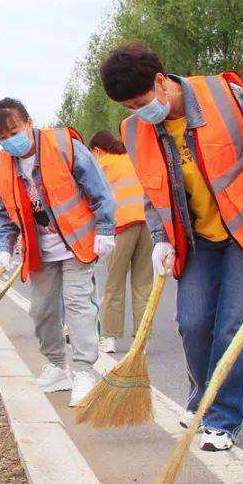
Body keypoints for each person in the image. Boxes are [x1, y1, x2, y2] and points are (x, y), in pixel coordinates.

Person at [99, 42, 243, 451]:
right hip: (195, 239)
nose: (138, 112)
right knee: (192, 323)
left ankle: (221, 419)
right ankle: (202, 396)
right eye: (128, 107)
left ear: (161, 81)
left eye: (141, 100)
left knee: (233, 327)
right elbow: (150, 187)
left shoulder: (229, 99)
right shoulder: (135, 130)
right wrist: (161, 238)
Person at [0, 98, 116, 407]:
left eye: (14, 131)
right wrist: (4, 249)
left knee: (78, 307)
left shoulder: (63, 145)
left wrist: (106, 229)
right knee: (42, 310)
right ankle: (57, 366)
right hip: (40, 250)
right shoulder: (2, 166)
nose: (10, 141)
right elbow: (2, 214)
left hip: (77, 244)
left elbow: (99, 189)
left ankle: (84, 371)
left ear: (29, 122)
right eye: (3, 137)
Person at [88, 130, 154, 354]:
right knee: (143, 285)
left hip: (121, 227)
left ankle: (109, 337)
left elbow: (96, 199)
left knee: (114, 285)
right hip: (147, 225)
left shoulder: (102, 164)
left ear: (97, 150)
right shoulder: (133, 158)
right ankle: (142, 340)